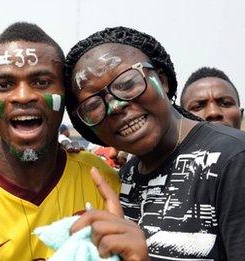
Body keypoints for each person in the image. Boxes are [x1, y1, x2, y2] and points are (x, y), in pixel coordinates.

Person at [0, 22, 148, 261]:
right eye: (4, 85)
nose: (23, 96)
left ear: (65, 94)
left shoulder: (105, 184)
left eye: (41, 82)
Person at [64, 26, 245, 260]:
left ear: (162, 80)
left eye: (127, 84)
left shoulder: (234, 159)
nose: (116, 106)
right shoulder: (127, 175)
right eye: (93, 105)